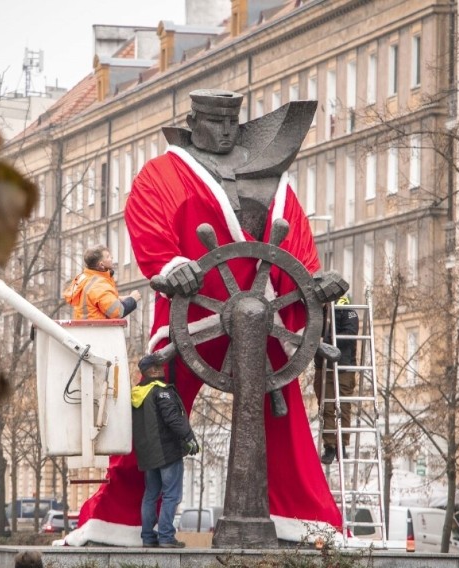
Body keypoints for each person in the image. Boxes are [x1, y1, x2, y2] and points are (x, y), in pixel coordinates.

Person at [60, 89, 345, 547]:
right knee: (150, 417)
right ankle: (118, 521)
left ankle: (300, 518)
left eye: (234, 121)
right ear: (194, 122)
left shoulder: (273, 180)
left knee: (286, 420)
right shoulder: (165, 174)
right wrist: (170, 266)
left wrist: (312, 282)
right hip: (188, 314)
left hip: (261, 312)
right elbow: (148, 220)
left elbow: (294, 242)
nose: (228, 130)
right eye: (218, 122)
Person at [133, 354, 199, 548]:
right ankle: (166, 537)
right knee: (171, 495)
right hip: (166, 450)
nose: (162, 368)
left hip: (147, 453)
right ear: (152, 371)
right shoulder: (161, 391)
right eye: (158, 366)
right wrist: (188, 436)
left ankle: (147, 537)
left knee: (151, 494)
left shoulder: (137, 393)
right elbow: (172, 418)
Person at [314, 294, 359, 464]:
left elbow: (349, 335)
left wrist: (325, 342)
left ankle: (342, 445)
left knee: (343, 406)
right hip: (323, 367)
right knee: (326, 406)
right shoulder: (318, 310)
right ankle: (330, 446)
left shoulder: (345, 307)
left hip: (342, 367)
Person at [63, 245, 141, 319]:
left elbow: (93, 300)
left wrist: (119, 299)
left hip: (86, 328)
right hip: (98, 330)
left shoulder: (84, 277)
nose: (112, 257)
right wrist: (132, 299)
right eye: (108, 256)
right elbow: (118, 312)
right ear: (101, 265)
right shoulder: (99, 286)